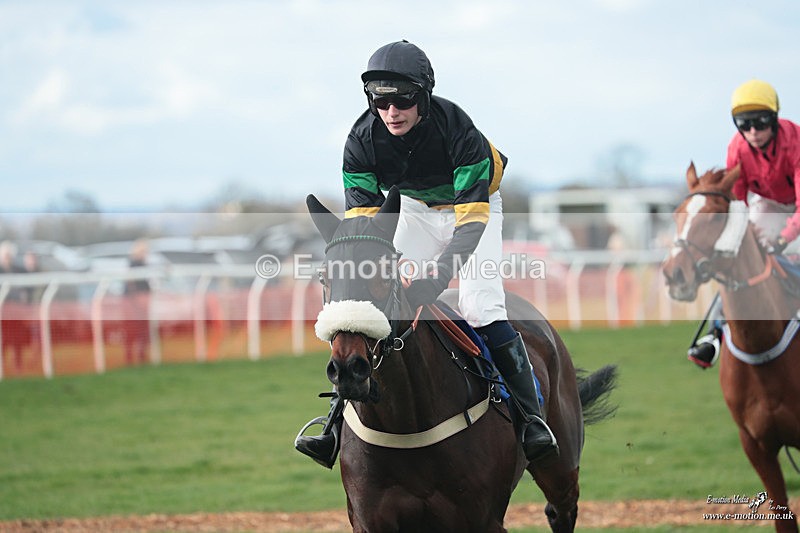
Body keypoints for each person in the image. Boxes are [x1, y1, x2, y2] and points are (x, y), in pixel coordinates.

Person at [294, 40, 558, 468]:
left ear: (425, 96)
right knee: (369, 297)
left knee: (480, 304)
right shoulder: (360, 141)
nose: (391, 111)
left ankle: (531, 420)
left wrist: (434, 279)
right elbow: (364, 232)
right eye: (381, 101)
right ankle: (333, 426)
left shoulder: (458, 129)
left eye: (403, 100)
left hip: (473, 208)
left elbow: (470, 222)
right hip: (412, 208)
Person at [687, 79, 800, 368]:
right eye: (744, 125)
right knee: (738, 259)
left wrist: (783, 239)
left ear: (774, 120)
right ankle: (714, 336)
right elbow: (738, 202)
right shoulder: (737, 148)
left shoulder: (795, 141)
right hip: (767, 204)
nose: (753, 133)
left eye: (760, 124)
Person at [124, 239, 151, 365]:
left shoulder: (143, 264)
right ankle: (131, 356)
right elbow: (131, 283)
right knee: (134, 329)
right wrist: (136, 299)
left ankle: (140, 355)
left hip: (140, 302)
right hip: (134, 303)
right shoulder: (134, 264)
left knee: (142, 330)